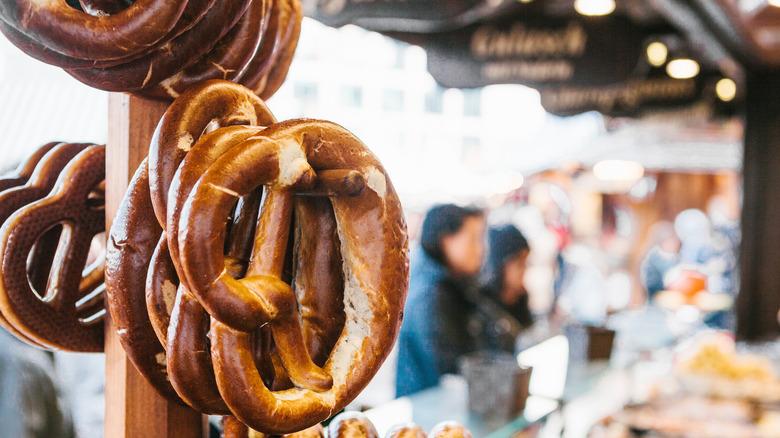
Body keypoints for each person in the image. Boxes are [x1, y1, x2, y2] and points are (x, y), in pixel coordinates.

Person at [395, 204, 485, 397]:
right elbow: (448, 371)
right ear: (446, 240)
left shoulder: (453, 284)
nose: (480, 250)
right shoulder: (429, 295)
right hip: (426, 415)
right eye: (473, 240)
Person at [473, 225, 534, 353]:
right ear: (501, 265)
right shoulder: (482, 303)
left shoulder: (521, 298)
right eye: (519, 264)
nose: (524, 271)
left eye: (526, 263)